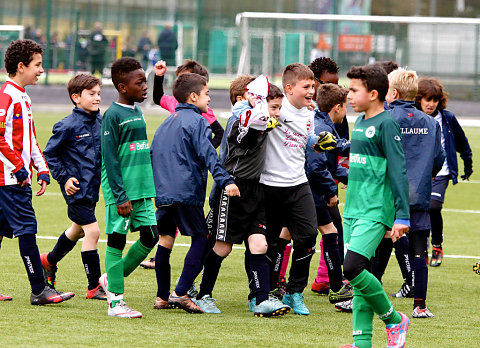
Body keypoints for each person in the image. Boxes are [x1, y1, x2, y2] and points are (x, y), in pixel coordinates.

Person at [196, 80, 290, 316]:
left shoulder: (265, 122)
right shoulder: (241, 122)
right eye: (273, 107)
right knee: (223, 247)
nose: (277, 113)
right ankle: (202, 295)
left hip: (256, 190)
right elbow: (245, 139)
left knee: (260, 245)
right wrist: (259, 121)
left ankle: (260, 300)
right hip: (233, 190)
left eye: (279, 108)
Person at [150, 73, 240, 314]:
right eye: (207, 93)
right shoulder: (198, 121)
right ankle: (180, 293)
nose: (209, 99)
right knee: (201, 239)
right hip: (185, 192)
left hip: (164, 193)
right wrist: (225, 180)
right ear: (193, 96)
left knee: (166, 241)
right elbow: (209, 154)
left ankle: (161, 297)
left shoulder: (167, 122)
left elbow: (153, 154)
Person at [0, 39, 75, 305]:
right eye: (38, 65)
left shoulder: (23, 96)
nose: (41, 70)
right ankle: (39, 290)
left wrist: (41, 169)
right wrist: (20, 169)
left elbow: (29, 137)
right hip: (9, 181)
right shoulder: (7, 95)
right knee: (27, 229)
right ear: (21, 66)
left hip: (13, 177)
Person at [340, 65, 410, 348]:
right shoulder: (360, 123)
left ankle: (393, 319)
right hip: (353, 210)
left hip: (374, 210)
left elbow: (398, 170)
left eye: (354, 90)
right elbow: (364, 165)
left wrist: (402, 215)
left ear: (373, 94)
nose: (348, 95)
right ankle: (362, 343)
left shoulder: (386, 123)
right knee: (358, 278)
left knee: (352, 267)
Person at [98, 57, 160, 318]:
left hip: (142, 190)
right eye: (140, 83)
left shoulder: (137, 111)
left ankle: (112, 278)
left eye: (145, 82)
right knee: (117, 241)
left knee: (151, 236)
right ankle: (115, 303)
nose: (145, 87)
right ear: (123, 87)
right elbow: (110, 159)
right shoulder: (112, 115)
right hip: (121, 192)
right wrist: (120, 195)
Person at [260, 63, 319, 315]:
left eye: (313, 87)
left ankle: (295, 292)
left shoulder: (310, 112)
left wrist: (318, 142)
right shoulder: (274, 107)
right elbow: (245, 112)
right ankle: (269, 290)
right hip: (269, 186)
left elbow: (307, 140)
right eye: (306, 87)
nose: (311, 92)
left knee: (307, 236)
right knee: (269, 243)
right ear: (289, 88)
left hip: (298, 183)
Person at [385, 68, 444, 318]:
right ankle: (420, 305)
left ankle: (362, 299)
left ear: (394, 92)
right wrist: (424, 176)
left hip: (388, 194)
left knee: (379, 246)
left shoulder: (386, 119)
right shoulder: (430, 122)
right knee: (420, 249)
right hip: (419, 193)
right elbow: (438, 159)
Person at [41, 73, 105, 301]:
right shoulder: (67, 125)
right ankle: (93, 287)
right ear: (76, 97)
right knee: (93, 232)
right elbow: (50, 154)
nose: (97, 98)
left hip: (91, 189)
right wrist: (65, 178)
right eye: (92, 94)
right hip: (75, 191)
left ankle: (48, 260)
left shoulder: (100, 121)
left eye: (99, 93)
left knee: (77, 230)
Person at [415, 77, 473, 267]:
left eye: (435, 100)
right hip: (418, 173)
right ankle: (421, 248)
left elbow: (461, 141)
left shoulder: (447, 118)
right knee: (419, 209)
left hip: (442, 171)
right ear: (419, 99)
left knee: (433, 207)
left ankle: (437, 245)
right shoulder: (413, 116)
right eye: (427, 99)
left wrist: (467, 162)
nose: (431, 104)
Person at [306, 83, 352, 309]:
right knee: (329, 231)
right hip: (312, 191)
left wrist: (349, 176)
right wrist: (330, 191)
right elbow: (316, 166)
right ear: (337, 107)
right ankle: (336, 286)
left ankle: (277, 285)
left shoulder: (322, 122)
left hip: (309, 188)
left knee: (286, 234)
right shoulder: (321, 127)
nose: (347, 112)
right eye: (345, 107)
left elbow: (330, 162)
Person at [152, 59, 224, 148]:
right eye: (179, 79)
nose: (180, 82)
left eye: (185, 79)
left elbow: (220, 133)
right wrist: (159, 76)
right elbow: (158, 98)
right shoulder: (174, 102)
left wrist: (206, 152)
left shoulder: (204, 111)